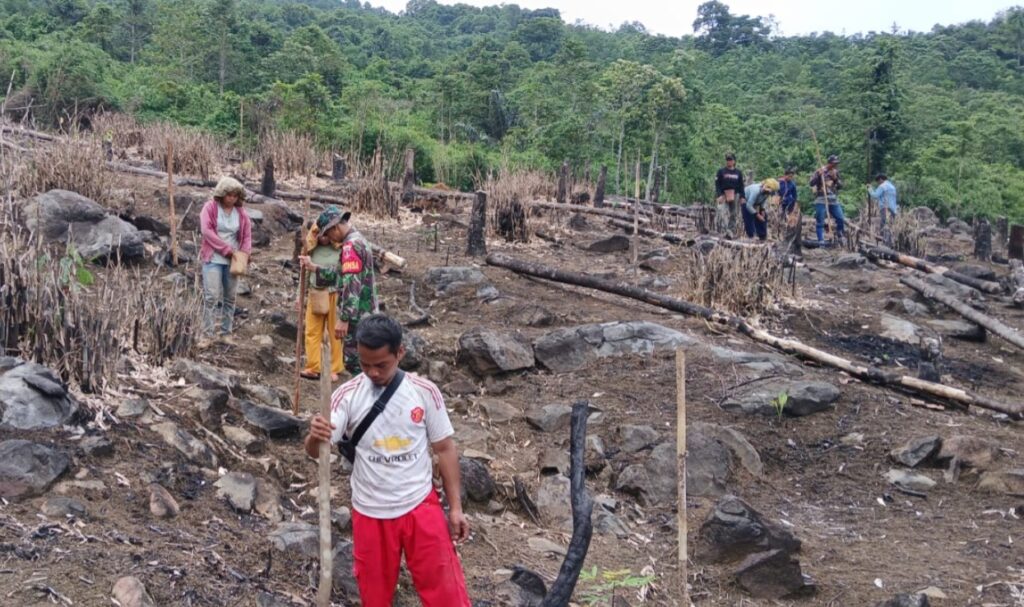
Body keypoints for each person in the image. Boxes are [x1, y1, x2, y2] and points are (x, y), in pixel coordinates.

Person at [304, 315, 471, 607]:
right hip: (370, 511)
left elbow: (444, 448)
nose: (373, 372)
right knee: (374, 597)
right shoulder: (346, 396)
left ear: (400, 353)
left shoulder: (423, 392)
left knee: (447, 595)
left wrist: (455, 508)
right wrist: (314, 436)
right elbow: (318, 452)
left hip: (420, 505)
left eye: (381, 365)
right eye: (365, 364)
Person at [297, 206, 349, 382]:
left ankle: (334, 368)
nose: (325, 238)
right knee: (312, 330)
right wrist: (300, 296)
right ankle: (313, 366)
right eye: (321, 234)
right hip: (315, 293)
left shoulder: (341, 249)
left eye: (328, 234)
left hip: (334, 293)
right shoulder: (310, 250)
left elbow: (343, 272)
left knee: (334, 332)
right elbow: (304, 274)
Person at [199, 176, 252, 340]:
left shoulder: (241, 213)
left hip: (233, 260)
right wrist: (225, 249)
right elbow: (207, 231)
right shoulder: (210, 208)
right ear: (222, 194)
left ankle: (226, 332)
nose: (232, 198)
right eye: (229, 195)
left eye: (235, 196)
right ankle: (207, 334)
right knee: (211, 297)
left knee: (230, 298)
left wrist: (244, 253)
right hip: (213, 258)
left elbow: (247, 236)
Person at [333, 212, 378, 375]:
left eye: (329, 233)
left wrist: (345, 317)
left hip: (357, 317)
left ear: (336, 227)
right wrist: (316, 269)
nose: (330, 238)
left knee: (358, 364)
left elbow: (351, 282)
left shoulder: (350, 246)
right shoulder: (360, 239)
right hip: (367, 312)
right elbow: (342, 274)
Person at [809, 154, 845, 244]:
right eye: (834, 163)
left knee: (840, 218)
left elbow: (840, 186)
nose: (835, 165)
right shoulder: (820, 171)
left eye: (836, 163)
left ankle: (840, 235)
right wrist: (818, 175)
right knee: (820, 220)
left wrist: (835, 179)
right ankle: (821, 241)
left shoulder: (835, 172)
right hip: (821, 198)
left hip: (833, 198)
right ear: (829, 163)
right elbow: (811, 183)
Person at [714, 153, 745, 235]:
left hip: (735, 194)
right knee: (721, 210)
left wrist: (742, 196)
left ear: (734, 161)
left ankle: (731, 230)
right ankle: (723, 230)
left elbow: (741, 185)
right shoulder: (721, 171)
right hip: (723, 194)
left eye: (730, 160)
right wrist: (719, 195)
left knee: (734, 213)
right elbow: (717, 184)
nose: (729, 161)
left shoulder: (738, 172)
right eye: (727, 160)